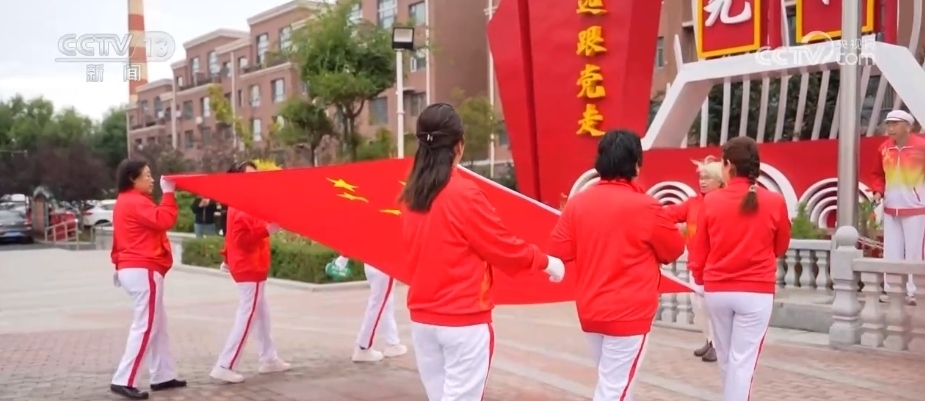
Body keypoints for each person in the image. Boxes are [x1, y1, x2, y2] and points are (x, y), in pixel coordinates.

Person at [400, 103, 565, 401]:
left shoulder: (412, 195)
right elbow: (502, 246)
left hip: (423, 322)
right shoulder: (463, 194)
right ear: (459, 146)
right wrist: (546, 261)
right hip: (463, 322)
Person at [548, 130, 686, 401]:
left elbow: (557, 251)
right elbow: (673, 250)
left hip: (591, 310)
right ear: (636, 164)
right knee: (614, 389)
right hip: (629, 314)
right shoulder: (647, 207)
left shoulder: (578, 204)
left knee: (615, 383)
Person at [688, 136, 791, 401]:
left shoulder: (711, 201)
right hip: (756, 292)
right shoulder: (774, 201)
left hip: (718, 290)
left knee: (726, 359)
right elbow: (781, 245)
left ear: (728, 165)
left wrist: (699, 278)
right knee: (742, 361)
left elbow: (699, 248)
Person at [109, 159, 186, 400]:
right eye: (148, 175)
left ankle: (162, 375)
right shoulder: (135, 201)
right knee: (146, 326)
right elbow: (164, 219)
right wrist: (169, 193)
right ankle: (124, 379)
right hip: (143, 268)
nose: (152, 180)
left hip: (135, 268)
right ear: (133, 179)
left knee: (157, 324)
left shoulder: (126, 200)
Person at [210, 160, 290, 383]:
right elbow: (244, 237)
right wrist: (267, 229)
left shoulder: (241, 203)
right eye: (250, 176)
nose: (255, 180)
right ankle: (225, 364)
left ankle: (269, 358)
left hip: (251, 266)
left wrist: (227, 257)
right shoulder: (242, 206)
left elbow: (234, 237)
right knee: (248, 315)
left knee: (261, 314)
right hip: (249, 267)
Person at [663, 156, 726, 363]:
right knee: (699, 308)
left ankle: (717, 345)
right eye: (701, 177)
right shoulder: (694, 203)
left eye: (708, 178)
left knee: (712, 309)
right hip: (696, 265)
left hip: (714, 267)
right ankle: (709, 340)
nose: (702, 182)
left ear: (720, 181)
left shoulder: (723, 204)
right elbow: (670, 213)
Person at [872, 109, 923, 305]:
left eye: (895, 124)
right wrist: (878, 191)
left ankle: (914, 291)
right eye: (888, 124)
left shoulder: (921, 147)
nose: (890, 128)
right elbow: (878, 174)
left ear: (908, 127)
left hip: (916, 209)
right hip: (891, 208)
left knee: (914, 252)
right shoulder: (884, 148)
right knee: (891, 251)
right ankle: (892, 290)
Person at [326, 256, 407, 362]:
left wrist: (342, 259)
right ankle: (363, 347)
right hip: (385, 262)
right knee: (378, 305)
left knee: (385, 302)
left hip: (371, 262)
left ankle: (392, 342)